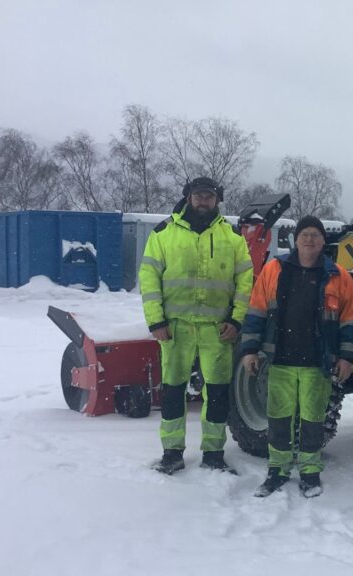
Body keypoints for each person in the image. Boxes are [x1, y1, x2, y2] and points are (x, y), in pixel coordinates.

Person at [240, 215, 353, 498]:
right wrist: (249, 350)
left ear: (323, 241)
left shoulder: (338, 276)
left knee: (313, 420)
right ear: (295, 239)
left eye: (315, 235)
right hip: (280, 359)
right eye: (304, 234)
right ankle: (277, 470)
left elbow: (351, 320)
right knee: (278, 418)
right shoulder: (275, 269)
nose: (309, 239)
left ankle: (310, 472)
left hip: (317, 363)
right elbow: (256, 312)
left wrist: (346, 357)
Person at [139, 177, 254, 475]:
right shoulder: (164, 233)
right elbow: (149, 279)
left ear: (217, 200)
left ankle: (213, 454)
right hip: (175, 328)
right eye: (198, 195)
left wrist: (236, 319)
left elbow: (245, 282)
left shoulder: (232, 237)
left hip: (218, 329)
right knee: (173, 390)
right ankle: (172, 453)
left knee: (217, 392)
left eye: (209, 196)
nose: (204, 201)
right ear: (188, 197)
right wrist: (156, 320)